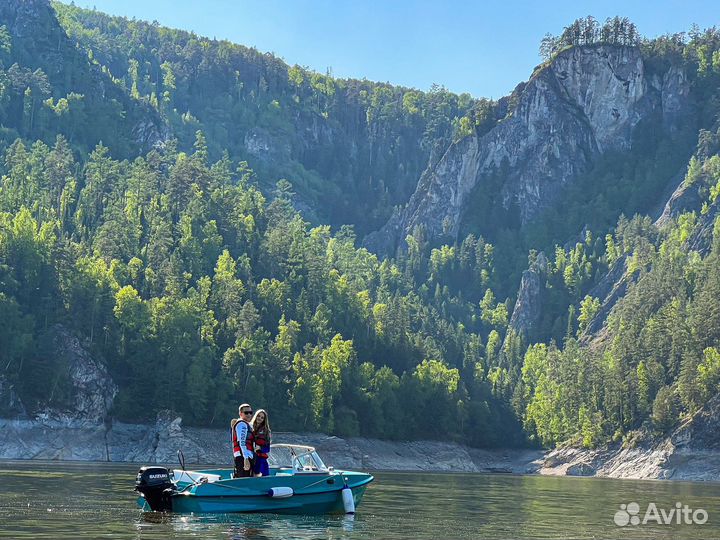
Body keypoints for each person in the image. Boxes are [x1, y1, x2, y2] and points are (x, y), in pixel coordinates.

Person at [231, 403, 255, 478]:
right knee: (243, 477)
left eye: (250, 413)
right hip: (242, 456)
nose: (249, 415)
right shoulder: (242, 424)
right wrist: (246, 458)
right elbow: (242, 442)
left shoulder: (247, 424)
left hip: (245, 455)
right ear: (240, 413)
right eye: (246, 413)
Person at [250, 409, 271, 477]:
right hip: (250, 457)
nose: (260, 418)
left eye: (262, 417)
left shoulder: (266, 431)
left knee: (264, 477)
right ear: (255, 416)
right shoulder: (249, 427)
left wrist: (260, 448)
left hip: (261, 459)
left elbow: (267, 449)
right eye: (258, 416)